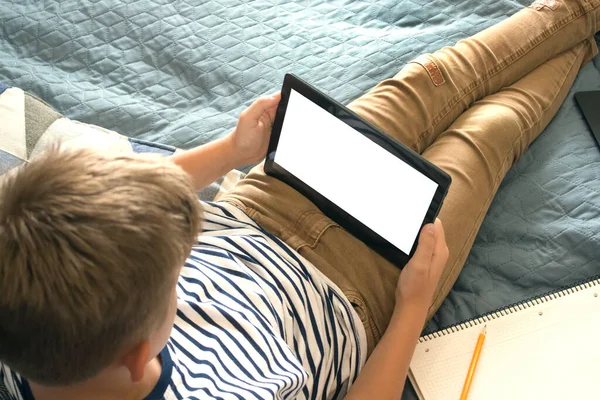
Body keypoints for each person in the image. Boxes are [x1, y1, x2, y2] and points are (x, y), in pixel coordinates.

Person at [0, 0, 598, 399]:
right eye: (175, 280)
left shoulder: (23, 325)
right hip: (370, 285)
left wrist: (232, 151)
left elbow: (138, 197)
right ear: (138, 357)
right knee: (491, 130)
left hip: (267, 197)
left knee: (437, 78)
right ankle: (584, 39)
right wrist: (413, 305)